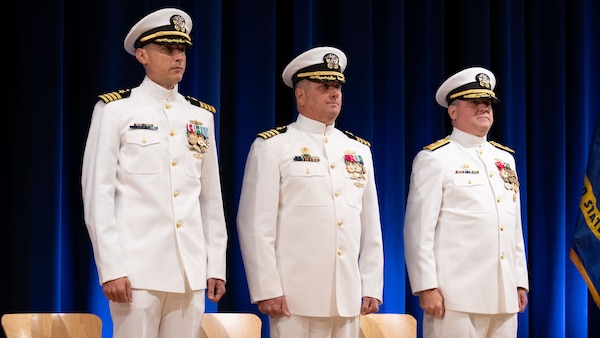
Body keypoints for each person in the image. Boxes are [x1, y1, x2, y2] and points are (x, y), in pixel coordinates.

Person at [81, 7, 228, 338]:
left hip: (189, 271)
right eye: (167, 49)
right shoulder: (116, 110)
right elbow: (98, 196)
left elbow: (210, 198)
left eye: (182, 50)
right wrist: (112, 268)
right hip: (137, 271)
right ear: (142, 55)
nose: (178, 57)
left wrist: (215, 264)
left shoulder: (200, 117)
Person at [236, 46, 384, 338]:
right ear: (300, 95)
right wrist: (267, 287)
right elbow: (255, 225)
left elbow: (371, 228)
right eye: (325, 86)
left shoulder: (358, 150)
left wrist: (371, 285)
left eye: (338, 86)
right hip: (294, 297)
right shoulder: (274, 146)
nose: (334, 93)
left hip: (347, 296)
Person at [403, 66, 529, 338]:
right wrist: (426, 287)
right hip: (455, 299)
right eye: (474, 102)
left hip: (503, 296)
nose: (484, 108)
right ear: (453, 111)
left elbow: (512, 226)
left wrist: (519, 281)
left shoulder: (505, 160)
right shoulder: (435, 158)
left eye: (488, 103)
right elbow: (418, 231)